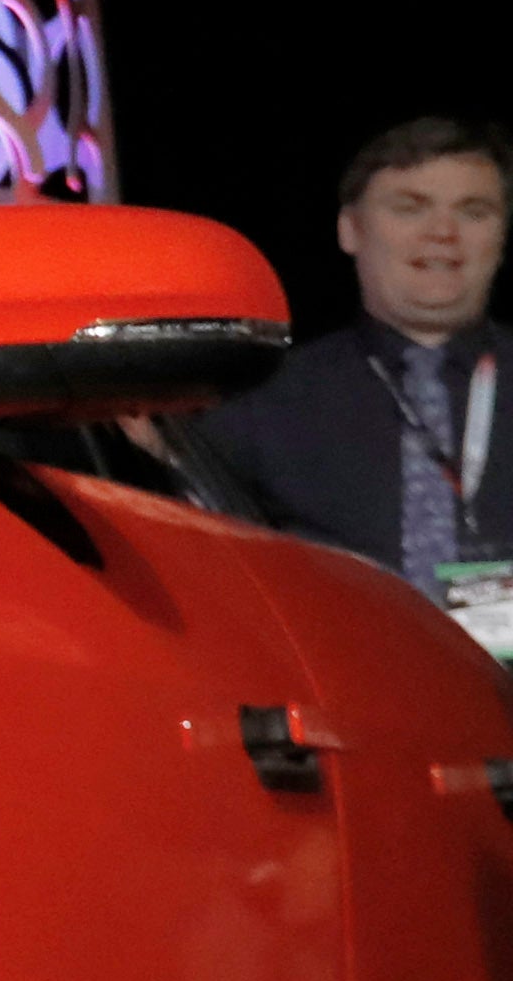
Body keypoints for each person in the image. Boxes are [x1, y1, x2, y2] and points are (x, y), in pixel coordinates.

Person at [195, 116, 513, 620]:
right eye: (410, 207)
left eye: (474, 212)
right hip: (349, 689)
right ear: (350, 230)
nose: (443, 233)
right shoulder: (260, 404)